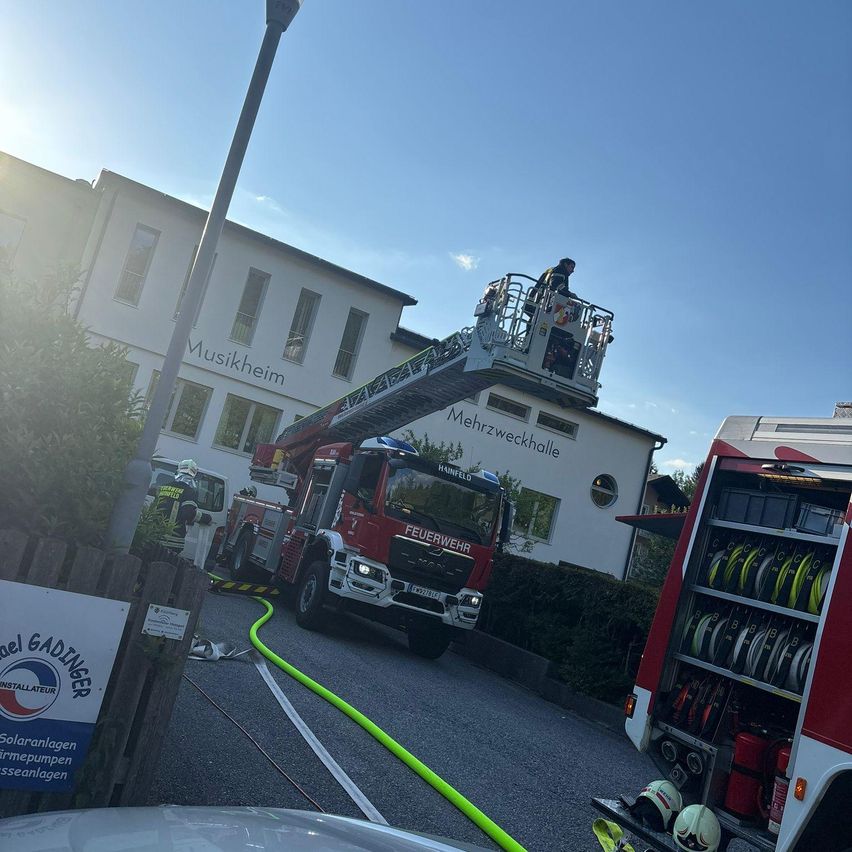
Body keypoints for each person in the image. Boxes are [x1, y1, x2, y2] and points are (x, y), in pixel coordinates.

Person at [153, 459, 212, 554]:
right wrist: (205, 518)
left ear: (178, 471)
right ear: (194, 475)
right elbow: (187, 513)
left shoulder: (164, 487)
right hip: (173, 540)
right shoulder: (189, 492)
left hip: (154, 535)